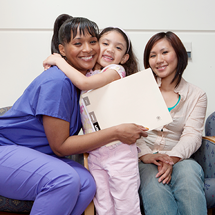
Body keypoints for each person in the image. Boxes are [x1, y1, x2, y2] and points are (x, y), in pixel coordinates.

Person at [0, 14, 149, 215]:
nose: (87, 49)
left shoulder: (84, 83)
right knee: (65, 180)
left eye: (93, 42)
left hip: (34, 154)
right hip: (6, 149)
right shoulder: (58, 82)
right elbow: (60, 146)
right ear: (62, 50)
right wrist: (116, 133)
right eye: (78, 43)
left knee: (87, 183)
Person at [43, 26, 161, 215]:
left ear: (124, 58)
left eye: (118, 48)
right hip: (95, 154)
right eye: (105, 43)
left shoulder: (116, 70)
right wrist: (58, 65)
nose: (109, 49)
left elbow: (84, 84)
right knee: (104, 207)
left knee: (126, 207)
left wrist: (58, 60)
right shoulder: (87, 72)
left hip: (120, 152)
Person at [137, 31, 208, 215]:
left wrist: (172, 158)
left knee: (189, 175)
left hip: (180, 157)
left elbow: (192, 135)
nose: (158, 60)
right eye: (152, 55)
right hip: (145, 158)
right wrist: (146, 155)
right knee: (154, 185)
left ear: (179, 54)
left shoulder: (196, 95)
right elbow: (131, 130)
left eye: (164, 52)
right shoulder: (141, 90)